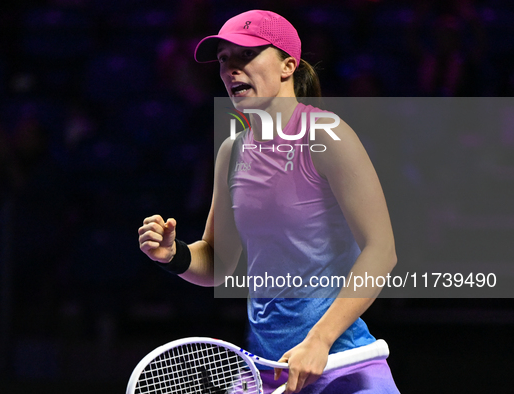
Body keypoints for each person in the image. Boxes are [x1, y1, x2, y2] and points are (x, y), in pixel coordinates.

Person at [138, 10, 399, 393]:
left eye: (246, 55)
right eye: (225, 59)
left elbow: (382, 252)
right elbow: (218, 261)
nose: (230, 69)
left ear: (287, 65)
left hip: (344, 368)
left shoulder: (327, 136)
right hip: (272, 373)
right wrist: (173, 255)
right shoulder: (232, 151)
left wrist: (320, 340)